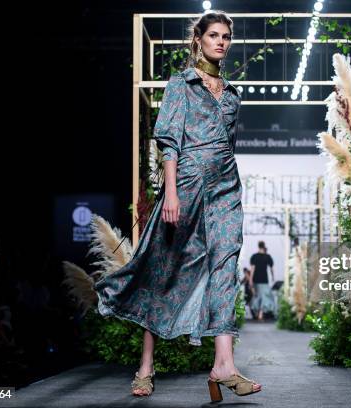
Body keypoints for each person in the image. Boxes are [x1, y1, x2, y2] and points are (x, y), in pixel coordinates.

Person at [93, 11, 261, 401]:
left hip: (225, 188)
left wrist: (226, 184)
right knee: (163, 272)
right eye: (213, 35)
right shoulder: (180, 84)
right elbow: (169, 140)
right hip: (184, 185)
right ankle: (146, 366)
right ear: (198, 39)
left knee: (225, 266)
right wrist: (170, 192)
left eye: (226, 36)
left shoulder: (232, 94)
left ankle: (224, 364)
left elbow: (227, 148)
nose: (221, 42)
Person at [249, 241, 275, 321]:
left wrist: (250, 280)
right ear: (264, 246)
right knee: (265, 297)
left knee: (258, 297)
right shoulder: (267, 257)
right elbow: (271, 269)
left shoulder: (254, 256)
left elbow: (252, 269)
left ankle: (258, 313)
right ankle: (260, 314)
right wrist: (273, 277)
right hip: (264, 280)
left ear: (258, 246)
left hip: (256, 280)